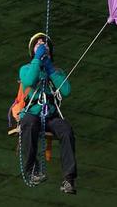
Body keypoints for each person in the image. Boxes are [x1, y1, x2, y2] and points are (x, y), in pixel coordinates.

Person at [12, 34, 77, 194]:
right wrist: (37, 60)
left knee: (66, 129)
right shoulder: (26, 69)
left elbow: (66, 91)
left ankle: (69, 179)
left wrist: (49, 67)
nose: (42, 45)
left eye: (45, 44)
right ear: (33, 51)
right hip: (33, 114)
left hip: (50, 116)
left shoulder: (55, 71)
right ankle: (32, 170)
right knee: (29, 122)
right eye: (38, 44)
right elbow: (28, 81)